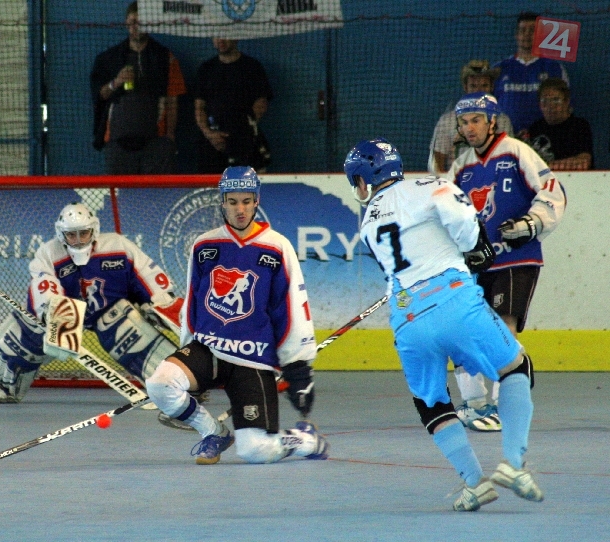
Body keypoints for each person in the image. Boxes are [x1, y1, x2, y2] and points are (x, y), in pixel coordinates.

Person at [345, 137, 543, 511]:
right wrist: (474, 245)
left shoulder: (368, 223)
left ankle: (474, 483)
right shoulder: (429, 185)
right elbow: (459, 215)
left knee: (431, 403)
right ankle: (514, 464)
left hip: (406, 317)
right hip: (454, 299)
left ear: (363, 179)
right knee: (516, 367)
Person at [144, 166, 329, 466]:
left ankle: (305, 439)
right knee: (160, 383)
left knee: (255, 451)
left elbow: (292, 307)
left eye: (246, 201)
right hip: (209, 349)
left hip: (252, 360)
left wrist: (297, 367)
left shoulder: (277, 247)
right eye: (232, 202)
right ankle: (213, 432)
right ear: (222, 202)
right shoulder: (204, 245)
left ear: (256, 201)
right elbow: (192, 303)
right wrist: (187, 352)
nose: (240, 209)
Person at [0, 202, 185, 406]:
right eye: (71, 235)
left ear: (94, 230)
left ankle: (175, 383)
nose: (78, 240)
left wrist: (158, 302)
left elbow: (147, 276)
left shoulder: (118, 246)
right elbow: (44, 286)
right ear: (61, 234)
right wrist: (55, 317)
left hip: (111, 312)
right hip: (67, 314)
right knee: (28, 326)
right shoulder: (49, 253)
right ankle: (0, 383)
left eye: (83, 233)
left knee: (131, 327)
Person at [445, 93, 565, 433]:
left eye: (476, 120)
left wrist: (531, 223)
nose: (470, 128)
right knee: (461, 330)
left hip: (516, 257)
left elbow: (553, 192)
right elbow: (445, 214)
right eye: (464, 122)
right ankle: (474, 404)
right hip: (476, 265)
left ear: (492, 122)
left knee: (502, 327)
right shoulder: (460, 167)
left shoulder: (516, 152)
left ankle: (505, 406)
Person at [89, 1, 186, 174]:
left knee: (157, 190)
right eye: (133, 21)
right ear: (126, 23)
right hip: (117, 142)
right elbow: (100, 95)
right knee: (119, 191)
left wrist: (170, 136)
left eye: (141, 22)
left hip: (155, 143)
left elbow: (173, 98)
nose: (136, 26)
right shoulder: (108, 58)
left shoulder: (165, 57)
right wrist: (116, 82)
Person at [194, 37, 273, 174]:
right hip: (212, 144)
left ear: (236, 37)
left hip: (245, 143)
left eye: (225, 35)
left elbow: (261, 103)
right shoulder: (206, 69)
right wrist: (209, 134)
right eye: (216, 36)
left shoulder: (252, 67)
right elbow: (199, 107)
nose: (221, 40)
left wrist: (242, 131)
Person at [428, 59, 514, 175]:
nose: (478, 91)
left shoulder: (502, 121)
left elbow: (508, 157)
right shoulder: (448, 121)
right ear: (465, 87)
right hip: (457, 181)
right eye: (473, 86)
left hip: (491, 181)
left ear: (491, 87)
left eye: (484, 85)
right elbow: (437, 161)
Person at [493, 12, 569, 137]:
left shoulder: (554, 68)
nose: (527, 35)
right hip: (506, 138)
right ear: (516, 35)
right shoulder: (499, 69)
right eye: (523, 30)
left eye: (532, 30)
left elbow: (566, 107)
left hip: (545, 138)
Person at [525, 78, 593, 170]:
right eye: (545, 101)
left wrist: (549, 166)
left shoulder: (579, 126)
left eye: (556, 100)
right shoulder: (536, 128)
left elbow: (584, 162)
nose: (550, 106)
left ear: (566, 101)